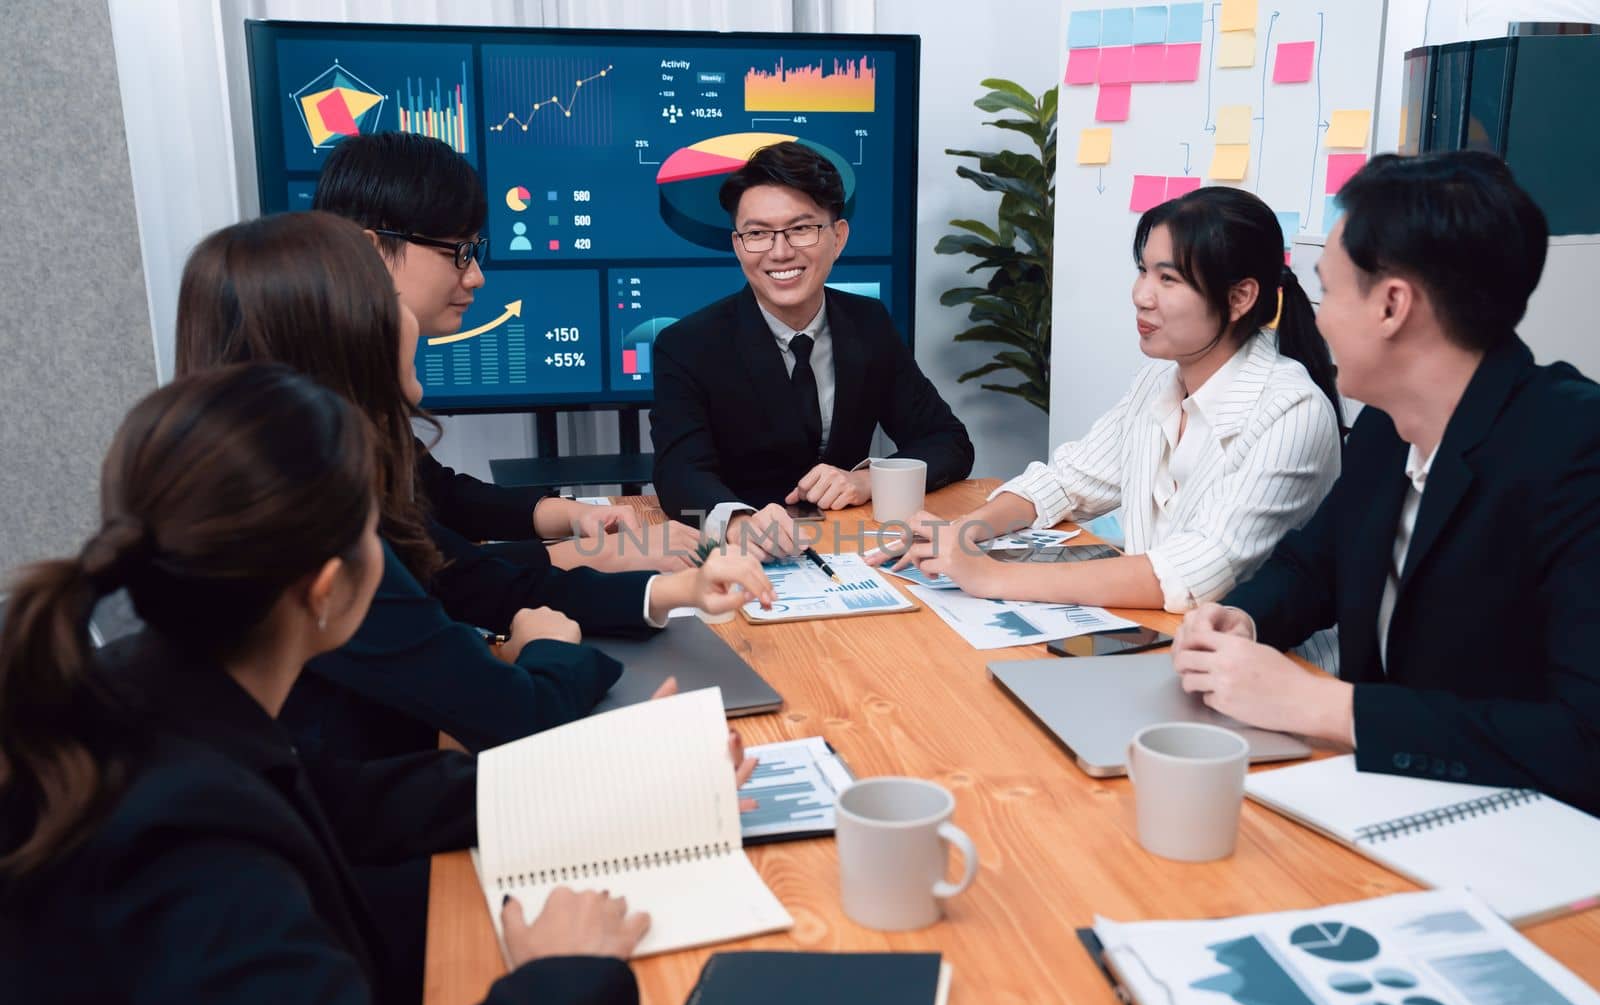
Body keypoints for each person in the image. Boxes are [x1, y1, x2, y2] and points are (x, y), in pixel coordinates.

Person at [0, 365, 649, 1005]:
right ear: (325, 589)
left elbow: (358, 801)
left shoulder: (148, 692)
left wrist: (605, 776)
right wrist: (565, 971)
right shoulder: (179, 828)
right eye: (377, 528)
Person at [175, 212, 774, 761]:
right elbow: (516, 714)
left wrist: (671, 589)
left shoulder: (270, 493)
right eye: (383, 298)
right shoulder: (322, 536)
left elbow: (460, 574)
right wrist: (550, 650)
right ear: (340, 335)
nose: (405, 314)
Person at [1171, 152, 1600, 816]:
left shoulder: (1575, 449)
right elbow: (1313, 566)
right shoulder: (1384, 426)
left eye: (1330, 292)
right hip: (1379, 801)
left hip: (1523, 841)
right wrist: (1246, 618)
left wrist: (1325, 705)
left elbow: (1583, 741)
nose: (1317, 318)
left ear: (1393, 304)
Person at [876, 187, 1344, 641]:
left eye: (1169, 278)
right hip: (1161, 640)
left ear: (1240, 298)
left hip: (1262, 670)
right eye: (1143, 271)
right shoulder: (1157, 382)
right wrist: (963, 533)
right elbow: (1064, 482)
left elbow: (1196, 573)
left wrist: (991, 577)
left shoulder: (1291, 409)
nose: (1141, 295)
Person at [313, 130, 699, 572]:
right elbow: (441, 576)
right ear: (371, 249)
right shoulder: (318, 419)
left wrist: (573, 515)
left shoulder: (342, 378)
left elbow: (438, 495)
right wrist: (604, 555)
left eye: (474, 251)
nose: (476, 277)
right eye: (457, 251)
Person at [649, 141, 975, 556]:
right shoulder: (688, 344)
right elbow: (679, 472)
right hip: (744, 557)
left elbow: (947, 440)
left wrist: (868, 478)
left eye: (801, 228)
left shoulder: (868, 323)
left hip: (853, 549)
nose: (780, 251)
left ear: (837, 237)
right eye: (758, 234)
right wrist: (739, 522)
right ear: (738, 245)